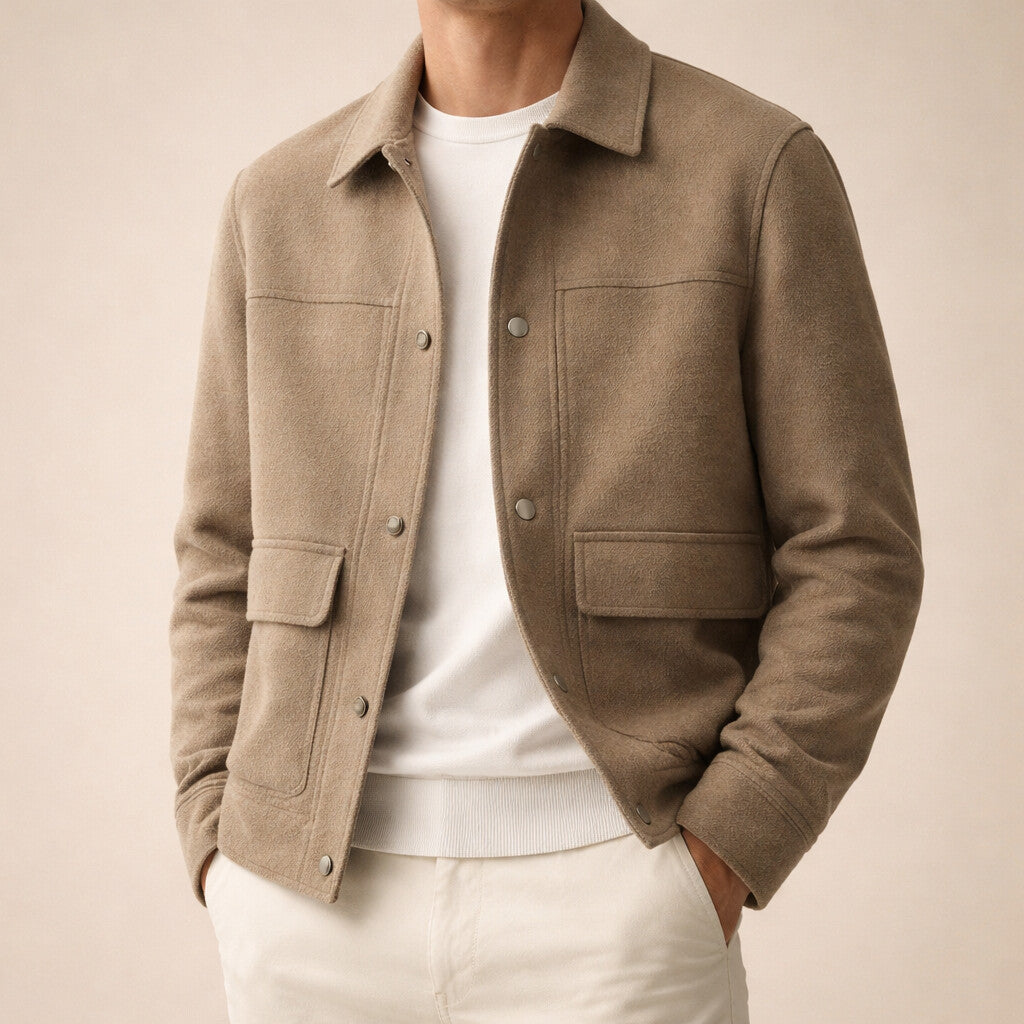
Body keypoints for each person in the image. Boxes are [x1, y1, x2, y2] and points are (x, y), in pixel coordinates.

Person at [168, 1, 925, 1020]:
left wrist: (730, 843)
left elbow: (856, 547)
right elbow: (222, 548)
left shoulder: (751, 168)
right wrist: (216, 836)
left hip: (620, 900)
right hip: (306, 910)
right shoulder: (280, 199)